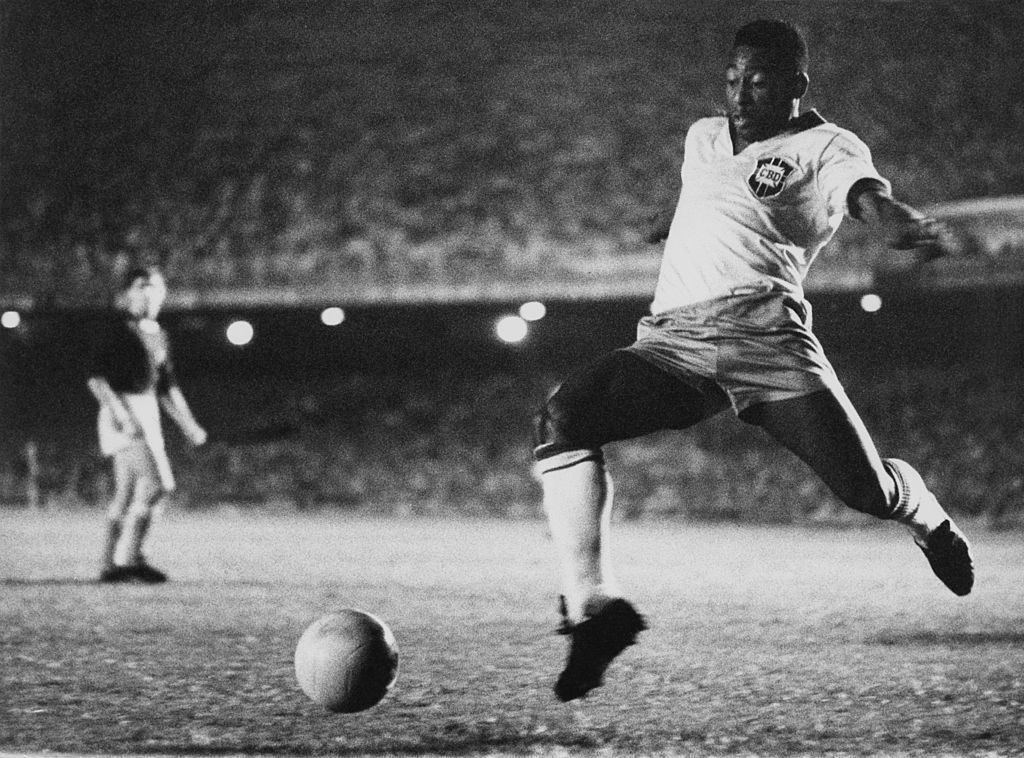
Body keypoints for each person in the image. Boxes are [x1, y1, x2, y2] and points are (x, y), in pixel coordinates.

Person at [532, 19, 974, 702]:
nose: (740, 95)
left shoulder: (825, 146)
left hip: (767, 339)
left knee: (864, 492)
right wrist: (669, 225)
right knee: (564, 417)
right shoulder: (703, 137)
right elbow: (707, 197)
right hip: (674, 341)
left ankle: (925, 514)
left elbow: (868, 197)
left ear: (797, 84)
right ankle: (593, 609)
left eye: (759, 82)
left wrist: (902, 225)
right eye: (733, 79)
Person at [87, 266, 207, 583]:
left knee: (126, 495)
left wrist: (188, 424)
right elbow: (97, 379)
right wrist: (121, 415)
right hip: (122, 412)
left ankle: (109, 565)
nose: (149, 292)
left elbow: (167, 387)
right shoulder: (118, 330)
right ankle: (133, 559)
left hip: (147, 412)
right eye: (142, 285)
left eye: (155, 286)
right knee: (160, 485)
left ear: (163, 293)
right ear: (128, 293)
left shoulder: (158, 334)